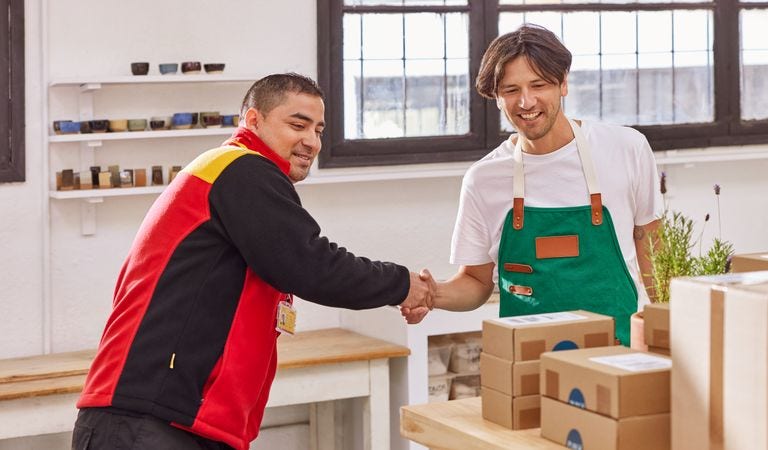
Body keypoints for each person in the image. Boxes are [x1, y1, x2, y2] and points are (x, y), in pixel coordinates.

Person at [71, 73, 435, 450]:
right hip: (150, 421)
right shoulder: (241, 168)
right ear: (253, 121)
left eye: (319, 129)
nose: (311, 141)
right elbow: (309, 265)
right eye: (298, 124)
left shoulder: (228, 174)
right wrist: (403, 284)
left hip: (167, 419)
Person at [404, 24, 661, 346]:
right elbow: (476, 281)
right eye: (511, 90)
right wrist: (432, 293)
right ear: (496, 97)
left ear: (563, 83)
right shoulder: (484, 179)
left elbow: (651, 244)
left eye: (538, 85)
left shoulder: (626, 148)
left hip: (617, 353)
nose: (526, 102)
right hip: (527, 360)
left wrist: (669, 328)